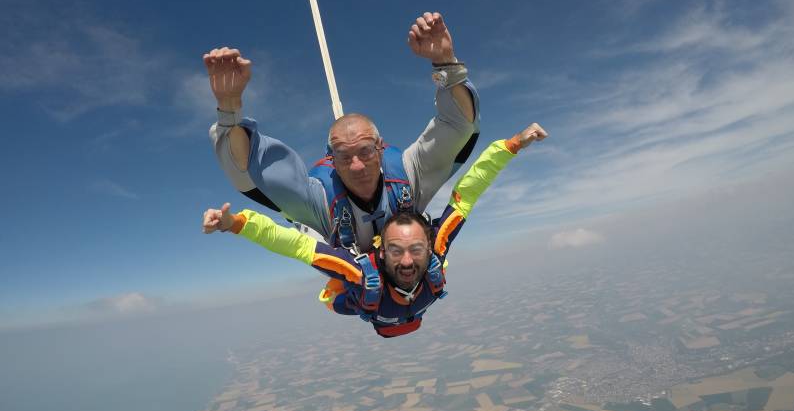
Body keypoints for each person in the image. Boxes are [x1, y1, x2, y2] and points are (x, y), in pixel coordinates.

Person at [202, 123, 548, 338]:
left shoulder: (359, 273)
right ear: (430, 247)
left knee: (332, 290)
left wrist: (238, 224)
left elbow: (296, 244)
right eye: (404, 248)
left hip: (360, 300)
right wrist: (510, 146)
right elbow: (466, 197)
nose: (408, 258)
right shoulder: (436, 257)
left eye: (403, 250)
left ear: (378, 251)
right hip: (394, 303)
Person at [205, 11, 479, 253]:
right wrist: (229, 110)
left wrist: (446, 64)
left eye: (365, 151)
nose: (357, 165)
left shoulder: (407, 175)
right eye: (344, 156)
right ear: (331, 160)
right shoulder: (319, 200)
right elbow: (249, 170)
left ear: (380, 148)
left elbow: (459, 127)